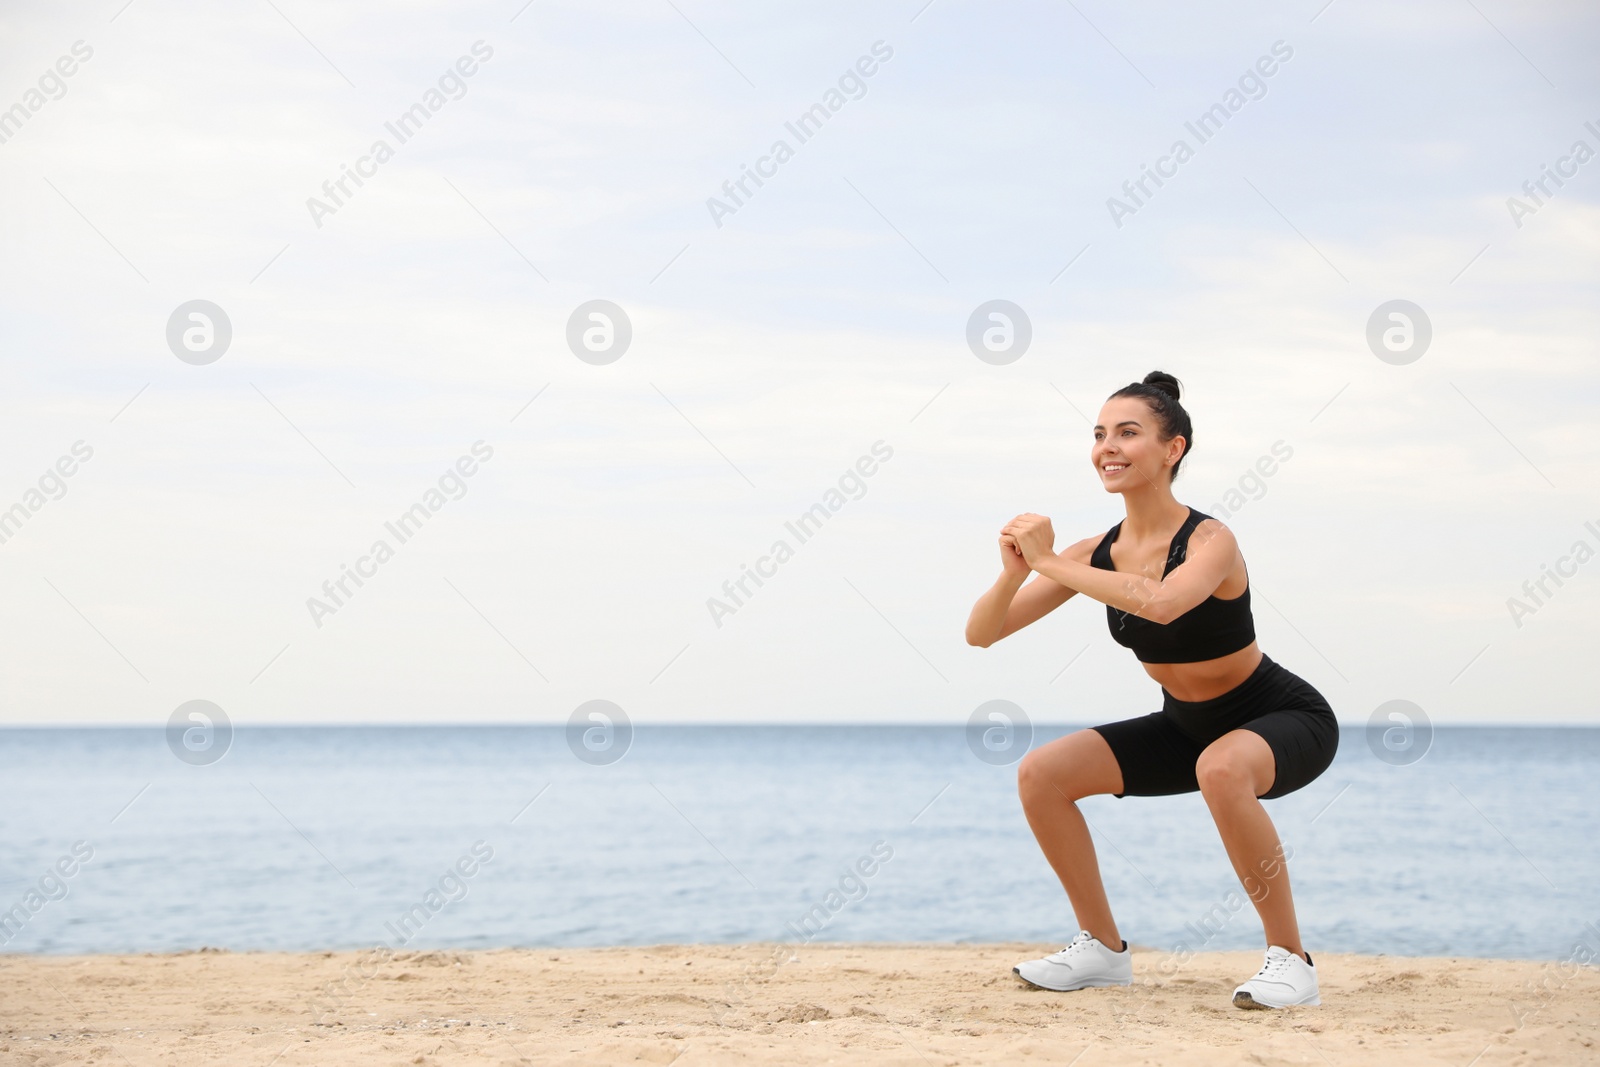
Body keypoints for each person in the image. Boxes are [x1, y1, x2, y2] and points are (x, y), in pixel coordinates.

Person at [964, 370, 1338, 1010]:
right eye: (1100, 434)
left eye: (1128, 433)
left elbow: (1163, 604)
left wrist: (1054, 562)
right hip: (1185, 726)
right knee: (1041, 773)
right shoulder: (1096, 551)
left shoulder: (1212, 540)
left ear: (1174, 449)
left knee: (1221, 767)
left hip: (1280, 716)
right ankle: (1103, 951)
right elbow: (983, 634)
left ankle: (1291, 961)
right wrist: (1013, 573)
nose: (1108, 446)